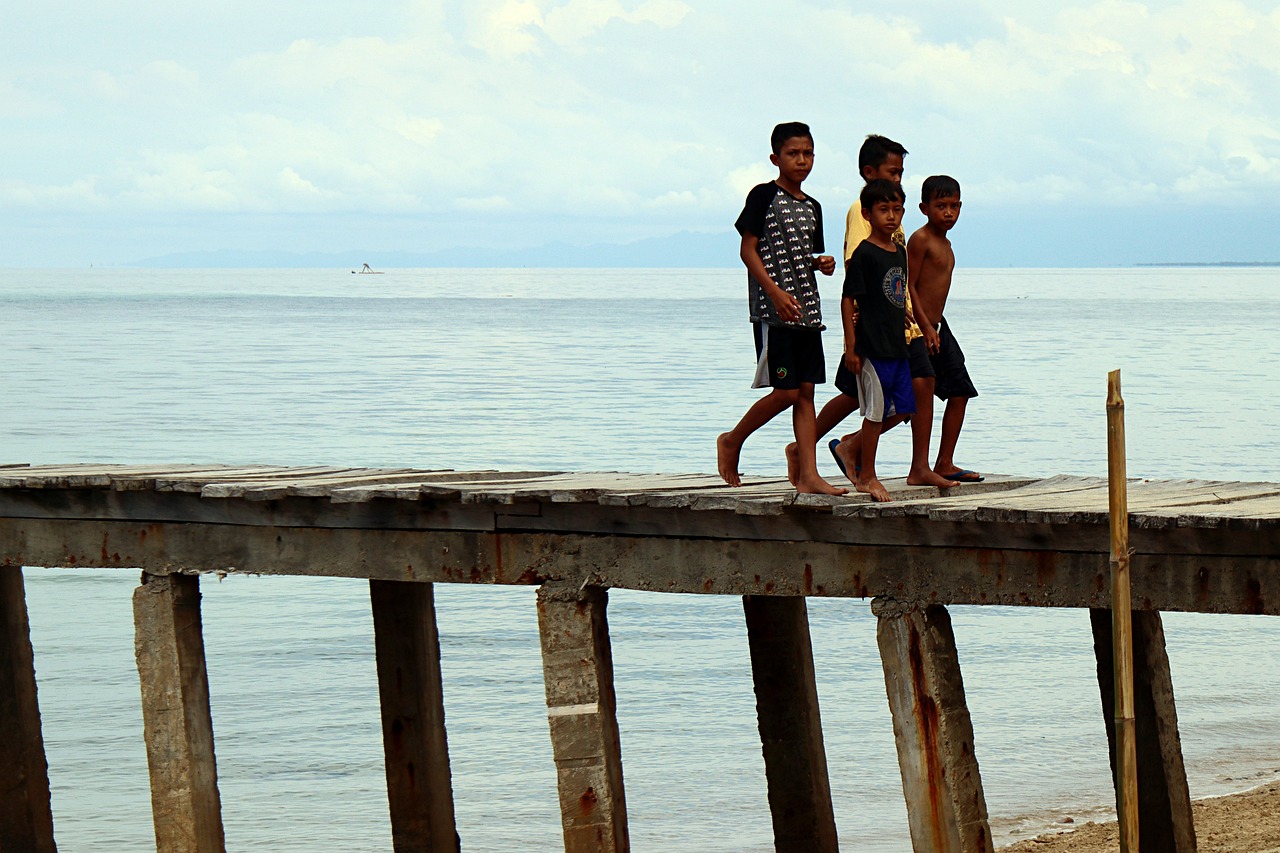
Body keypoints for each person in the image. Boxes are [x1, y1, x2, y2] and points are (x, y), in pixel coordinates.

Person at [792, 134, 957, 489]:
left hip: (901, 323)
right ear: (869, 172)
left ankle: (913, 465)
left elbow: (900, 277)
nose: (898, 179)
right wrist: (856, 328)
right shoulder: (861, 210)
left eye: (900, 174)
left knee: (907, 389)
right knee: (863, 396)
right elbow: (857, 265)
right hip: (875, 326)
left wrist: (916, 319)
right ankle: (818, 449)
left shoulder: (892, 217)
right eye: (892, 172)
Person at [717, 122, 845, 495]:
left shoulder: (813, 207)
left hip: (807, 311)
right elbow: (747, 250)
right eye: (793, 153)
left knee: (806, 392)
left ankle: (809, 474)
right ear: (776, 158)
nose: (801, 160)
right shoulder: (762, 196)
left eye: (807, 153)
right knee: (786, 392)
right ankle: (733, 439)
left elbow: (805, 256)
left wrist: (821, 264)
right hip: (775, 311)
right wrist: (773, 292)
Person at [832, 179, 913, 502]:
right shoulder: (864, 253)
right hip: (872, 349)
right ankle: (868, 476)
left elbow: (895, 292)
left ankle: (852, 448)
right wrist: (852, 348)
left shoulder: (900, 252)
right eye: (883, 210)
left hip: (897, 346)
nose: (891, 217)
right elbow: (848, 299)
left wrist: (902, 314)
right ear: (867, 214)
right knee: (875, 412)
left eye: (896, 210)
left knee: (906, 408)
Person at [906, 175, 982, 482]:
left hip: (939, 326)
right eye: (940, 206)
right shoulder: (920, 240)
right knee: (907, 402)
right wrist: (924, 327)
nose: (948, 213)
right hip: (920, 327)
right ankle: (854, 445)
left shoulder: (946, 243)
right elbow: (908, 286)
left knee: (960, 390)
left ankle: (945, 461)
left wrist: (935, 326)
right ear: (924, 208)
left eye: (953, 206)